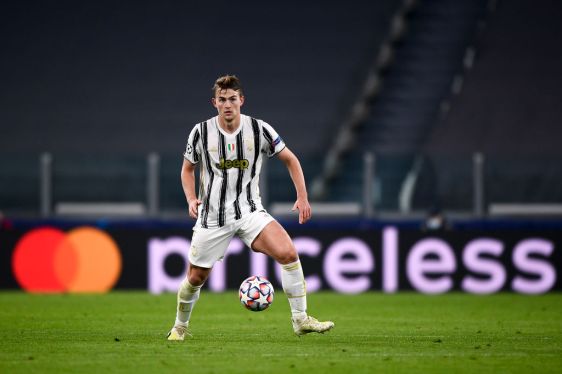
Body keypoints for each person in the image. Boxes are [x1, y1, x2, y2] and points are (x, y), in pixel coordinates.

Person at [167, 75, 334, 341]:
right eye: (222, 100)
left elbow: (291, 159)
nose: (228, 104)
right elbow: (187, 170)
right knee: (196, 277)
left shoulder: (259, 129)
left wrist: (303, 197)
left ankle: (301, 319)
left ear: (241, 100)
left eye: (232, 99)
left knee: (289, 253)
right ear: (215, 103)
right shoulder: (200, 132)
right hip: (213, 217)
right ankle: (180, 326)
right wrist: (190, 199)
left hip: (249, 211)